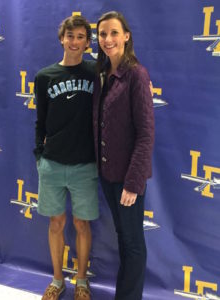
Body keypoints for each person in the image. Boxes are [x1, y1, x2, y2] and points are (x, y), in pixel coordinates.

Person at [34, 15, 98, 300]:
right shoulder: (44, 77)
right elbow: (40, 120)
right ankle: (58, 280)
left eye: (81, 37)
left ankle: (81, 281)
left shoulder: (96, 73)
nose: (74, 41)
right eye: (70, 36)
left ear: (87, 42)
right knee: (56, 223)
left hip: (85, 165)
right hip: (53, 164)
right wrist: (40, 154)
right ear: (62, 38)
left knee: (82, 224)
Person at [92, 11, 155, 300]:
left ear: (126, 36)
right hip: (107, 175)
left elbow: (145, 135)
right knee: (124, 239)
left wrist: (133, 183)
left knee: (132, 244)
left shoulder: (136, 75)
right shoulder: (102, 74)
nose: (107, 39)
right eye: (102, 34)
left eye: (114, 33)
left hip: (128, 180)